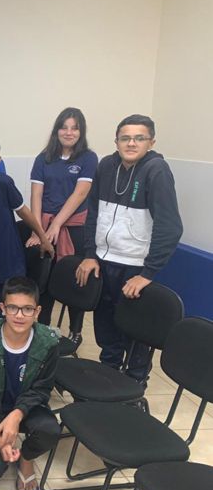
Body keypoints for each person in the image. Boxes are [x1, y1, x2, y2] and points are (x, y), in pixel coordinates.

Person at [76, 114, 183, 383]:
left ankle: (135, 382)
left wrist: (147, 274)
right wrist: (90, 255)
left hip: (135, 266)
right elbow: (93, 213)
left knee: (135, 331)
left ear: (151, 142)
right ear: (116, 141)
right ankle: (108, 374)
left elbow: (170, 227)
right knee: (106, 325)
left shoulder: (157, 170)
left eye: (139, 138)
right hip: (104, 260)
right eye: (125, 138)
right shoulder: (106, 165)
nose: (131, 143)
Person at [0, 276, 61, 490]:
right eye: (13, 308)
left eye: (27, 309)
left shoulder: (48, 342)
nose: (20, 315)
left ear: (37, 311)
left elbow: (42, 389)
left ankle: (26, 459)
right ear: (3, 308)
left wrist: (17, 414)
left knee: (50, 430)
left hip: (26, 409)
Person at [27, 107, 98, 346]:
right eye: (64, 127)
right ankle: (43, 330)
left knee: (75, 278)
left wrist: (57, 224)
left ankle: (75, 331)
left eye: (74, 128)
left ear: (81, 132)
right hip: (45, 226)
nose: (69, 132)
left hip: (75, 228)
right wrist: (38, 230)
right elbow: (36, 195)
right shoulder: (43, 158)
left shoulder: (88, 158)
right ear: (56, 130)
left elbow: (81, 193)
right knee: (45, 281)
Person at [0, 135, 54, 317]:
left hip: (8, 257)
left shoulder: (3, 182)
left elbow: (24, 212)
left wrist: (42, 237)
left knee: (10, 307)